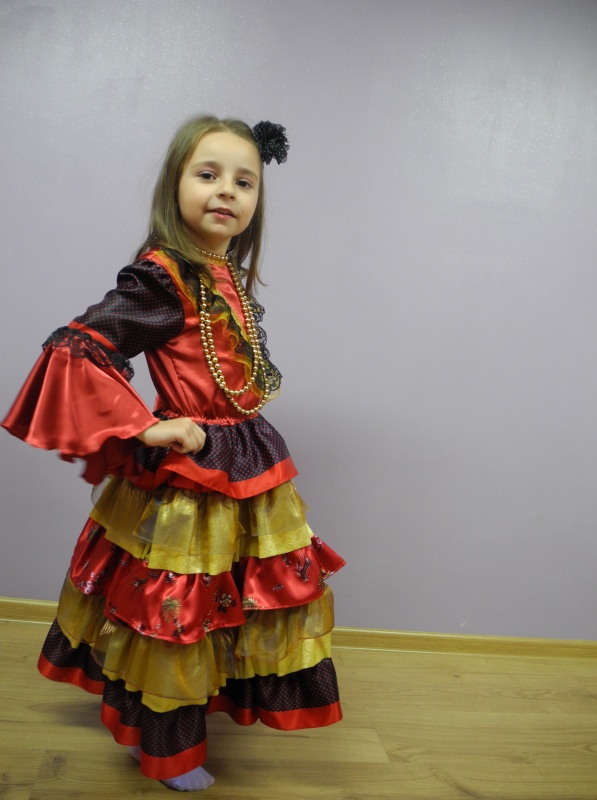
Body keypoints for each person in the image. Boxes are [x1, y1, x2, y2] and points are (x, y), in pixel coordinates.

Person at [2, 115, 345, 792]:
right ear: (175, 185)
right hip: (194, 478)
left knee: (230, 599)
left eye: (244, 182)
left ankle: (192, 715)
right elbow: (78, 344)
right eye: (208, 174)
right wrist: (145, 426)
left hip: (247, 456)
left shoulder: (226, 274)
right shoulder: (164, 277)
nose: (227, 192)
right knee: (176, 610)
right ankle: (166, 747)